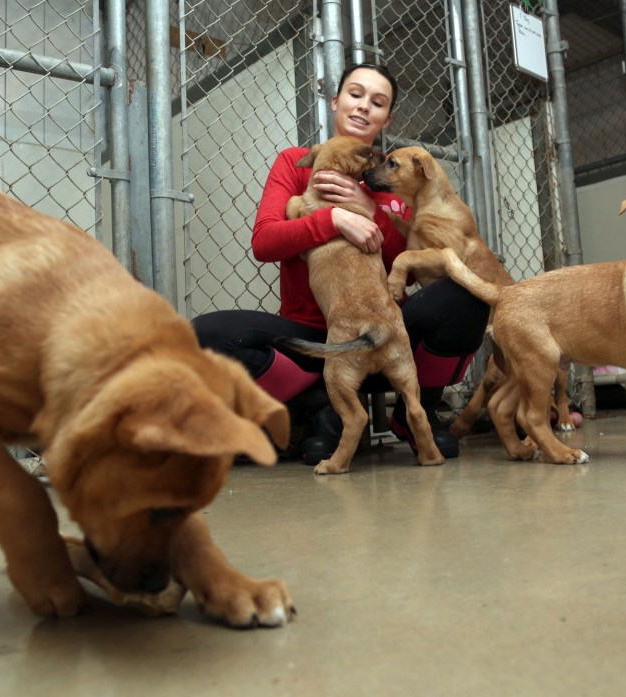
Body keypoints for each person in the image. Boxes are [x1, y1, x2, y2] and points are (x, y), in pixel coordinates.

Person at [193, 63, 490, 465]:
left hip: (383, 331)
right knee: (204, 335)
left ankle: (415, 409)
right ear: (334, 101)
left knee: (465, 294)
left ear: (388, 118)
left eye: (378, 102)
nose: (364, 107)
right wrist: (331, 219)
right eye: (355, 94)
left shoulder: (395, 181)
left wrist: (370, 210)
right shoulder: (296, 162)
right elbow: (264, 242)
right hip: (315, 340)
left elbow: (415, 274)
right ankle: (315, 404)